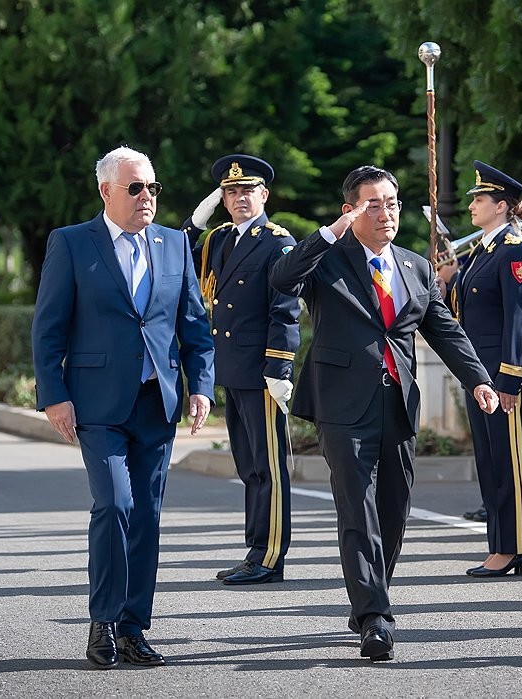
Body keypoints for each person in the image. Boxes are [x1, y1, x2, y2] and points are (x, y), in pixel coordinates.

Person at [268, 165, 497, 661]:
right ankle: (375, 615)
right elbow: (282, 279)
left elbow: (444, 329)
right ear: (350, 209)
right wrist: (330, 232)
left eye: (392, 202)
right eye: (373, 204)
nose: (387, 212)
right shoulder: (329, 260)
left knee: (393, 510)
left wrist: (478, 378)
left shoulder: (414, 267)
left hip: (397, 402)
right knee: (358, 506)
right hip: (342, 406)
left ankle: (369, 596)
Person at [32, 145, 215, 669]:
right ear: (106, 191)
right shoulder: (70, 244)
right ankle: (103, 622)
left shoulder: (175, 245)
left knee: (147, 517)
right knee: (114, 505)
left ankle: (134, 628)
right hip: (96, 404)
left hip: (155, 403)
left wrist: (201, 386)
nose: (147, 197)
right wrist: (54, 396)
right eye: (135, 188)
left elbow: (195, 329)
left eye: (153, 187)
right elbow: (48, 328)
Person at [181, 154, 300, 585]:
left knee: (270, 466)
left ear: (264, 195)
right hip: (231, 369)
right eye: (231, 193)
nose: (239, 199)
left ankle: (270, 556)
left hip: (262, 371)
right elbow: (177, 257)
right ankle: (256, 551)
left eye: (247, 191)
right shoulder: (218, 240)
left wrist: (280, 368)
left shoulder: (278, 242)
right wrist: (195, 222)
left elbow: (284, 310)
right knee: (249, 466)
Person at [442, 161, 522, 576]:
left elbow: (521, 318)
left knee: (507, 462)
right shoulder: (483, 251)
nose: (472, 205)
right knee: (489, 461)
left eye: (479, 199)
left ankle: (513, 547)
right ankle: (498, 544)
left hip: (500, 376)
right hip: (478, 374)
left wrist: (509, 379)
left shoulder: (515, 252)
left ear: (502, 206)